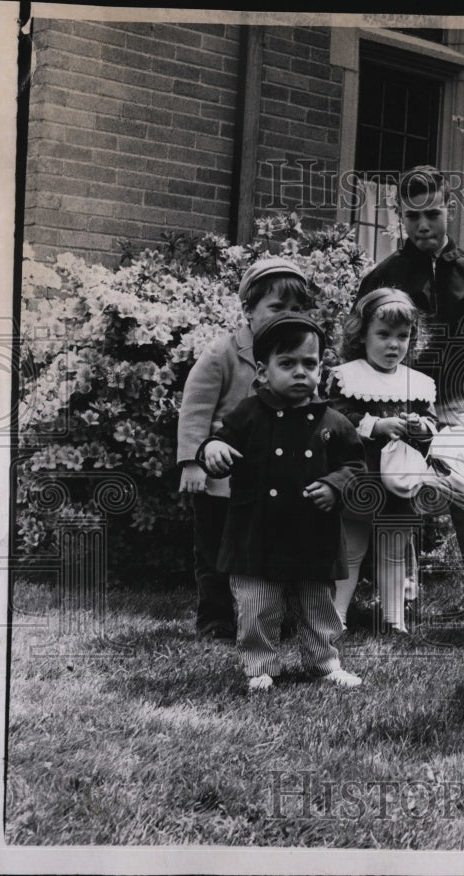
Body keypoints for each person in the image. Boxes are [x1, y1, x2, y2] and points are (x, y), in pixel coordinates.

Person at [357, 165, 464, 621]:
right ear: (400, 219)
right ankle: (399, 599)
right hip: (394, 399)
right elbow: (364, 336)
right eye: (412, 217)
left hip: (447, 400)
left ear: (449, 208)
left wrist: (452, 384)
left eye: (431, 213)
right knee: (397, 490)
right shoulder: (385, 274)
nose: (423, 226)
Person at [197, 312, 366, 691]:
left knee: (318, 606)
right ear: (262, 370)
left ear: (321, 369)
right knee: (257, 605)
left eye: (310, 363)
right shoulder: (248, 414)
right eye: (287, 364)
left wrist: (336, 485)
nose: (300, 372)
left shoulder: (333, 422)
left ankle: (324, 662)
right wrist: (215, 448)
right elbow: (220, 440)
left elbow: (356, 464)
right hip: (257, 532)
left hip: (313, 533)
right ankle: (260, 667)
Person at [176, 257, 312, 640]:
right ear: (249, 311)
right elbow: (196, 408)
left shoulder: (296, 358)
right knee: (215, 553)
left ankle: (273, 617)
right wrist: (193, 462)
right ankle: (215, 618)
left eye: (296, 309)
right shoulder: (222, 353)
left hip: (271, 479)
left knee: (270, 552)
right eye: (276, 307)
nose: (287, 316)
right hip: (220, 478)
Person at [327, 288, 438, 635]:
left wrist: (421, 427)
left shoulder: (417, 383)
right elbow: (336, 416)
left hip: (398, 480)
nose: (394, 345)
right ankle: (336, 616)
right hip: (362, 474)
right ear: (362, 335)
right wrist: (376, 424)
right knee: (352, 548)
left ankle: (395, 618)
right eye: (384, 335)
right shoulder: (348, 376)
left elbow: (433, 426)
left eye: (403, 337)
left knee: (393, 549)